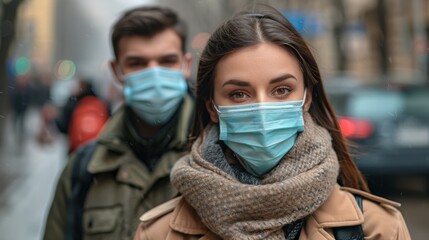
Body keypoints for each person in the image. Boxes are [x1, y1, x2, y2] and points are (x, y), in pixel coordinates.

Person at [133, 4, 410, 240]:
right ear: (213, 108)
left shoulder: (377, 229)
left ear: (307, 98)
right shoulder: (159, 233)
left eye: (281, 90)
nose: (263, 108)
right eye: (239, 94)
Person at [43, 5, 193, 240]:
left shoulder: (220, 157)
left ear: (186, 65)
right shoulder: (83, 169)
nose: (154, 75)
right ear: (116, 70)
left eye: (166, 61)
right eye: (137, 63)